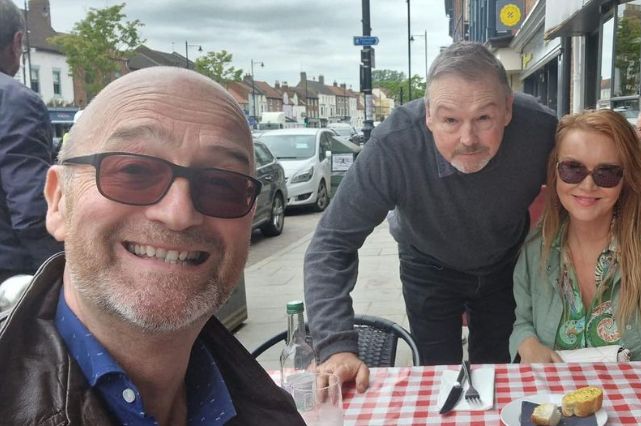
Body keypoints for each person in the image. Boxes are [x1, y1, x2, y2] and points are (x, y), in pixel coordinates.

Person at [0, 67, 304, 425]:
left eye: (222, 184)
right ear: (57, 201)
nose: (179, 213)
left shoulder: (271, 410)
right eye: (133, 171)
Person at [304, 42, 557, 389]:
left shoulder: (539, 130)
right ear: (428, 115)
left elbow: (588, 185)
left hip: (504, 264)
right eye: (450, 120)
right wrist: (335, 346)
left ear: (508, 110)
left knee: (500, 376)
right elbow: (331, 243)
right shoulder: (394, 146)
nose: (468, 139)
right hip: (428, 265)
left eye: (484, 118)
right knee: (440, 379)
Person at [509, 109, 641, 363]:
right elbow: (522, 320)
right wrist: (526, 342)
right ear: (554, 172)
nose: (588, 185)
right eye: (572, 169)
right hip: (554, 401)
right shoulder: (536, 248)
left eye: (606, 172)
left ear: (627, 178)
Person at [0, 0, 62, 283]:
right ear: (17, 42)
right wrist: (59, 275)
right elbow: (31, 209)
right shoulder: (15, 102)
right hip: (11, 271)